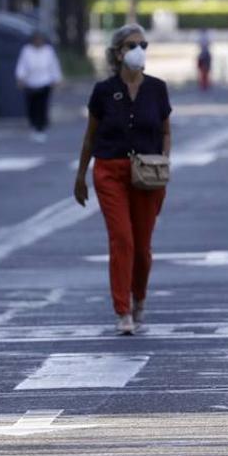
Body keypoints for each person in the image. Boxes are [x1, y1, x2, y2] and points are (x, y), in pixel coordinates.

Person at [74, 24, 172, 335]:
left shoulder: (157, 88)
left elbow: (166, 131)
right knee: (122, 240)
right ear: (118, 53)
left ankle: (139, 297)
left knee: (142, 246)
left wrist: (163, 161)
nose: (139, 49)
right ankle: (122, 310)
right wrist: (80, 176)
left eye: (143, 43)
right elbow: (90, 137)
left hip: (147, 174)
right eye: (132, 45)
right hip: (110, 171)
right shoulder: (103, 91)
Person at [15, 31, 63, 143]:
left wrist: (57, 79)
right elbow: (22, 65)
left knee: (42, 106)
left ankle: (41, 128)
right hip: (30, 82)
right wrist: (20, 78)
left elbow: (53, 65)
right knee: (32, 106)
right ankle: (33, 124)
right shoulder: (26, 50)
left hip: (44, 81)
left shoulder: (48, 51)